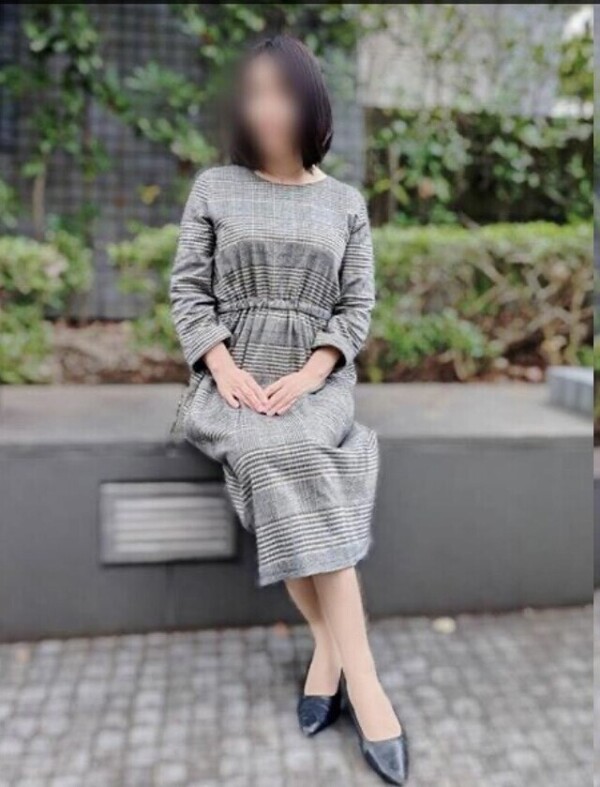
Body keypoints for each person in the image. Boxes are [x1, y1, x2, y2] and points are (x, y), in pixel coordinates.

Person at [170, 34, 408, 785]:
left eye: (281, 92)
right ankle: (343, 659)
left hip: (315, 382)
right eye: (253, 94)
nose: (266, 108)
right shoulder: (214, 188)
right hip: (233, 379)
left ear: (311, 101)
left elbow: (356, 306)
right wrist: (222, 365)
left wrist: (311, 373)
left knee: (298, 447)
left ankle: (350, 672)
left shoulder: (345, 203)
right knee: (267, 450)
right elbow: (188, 291)